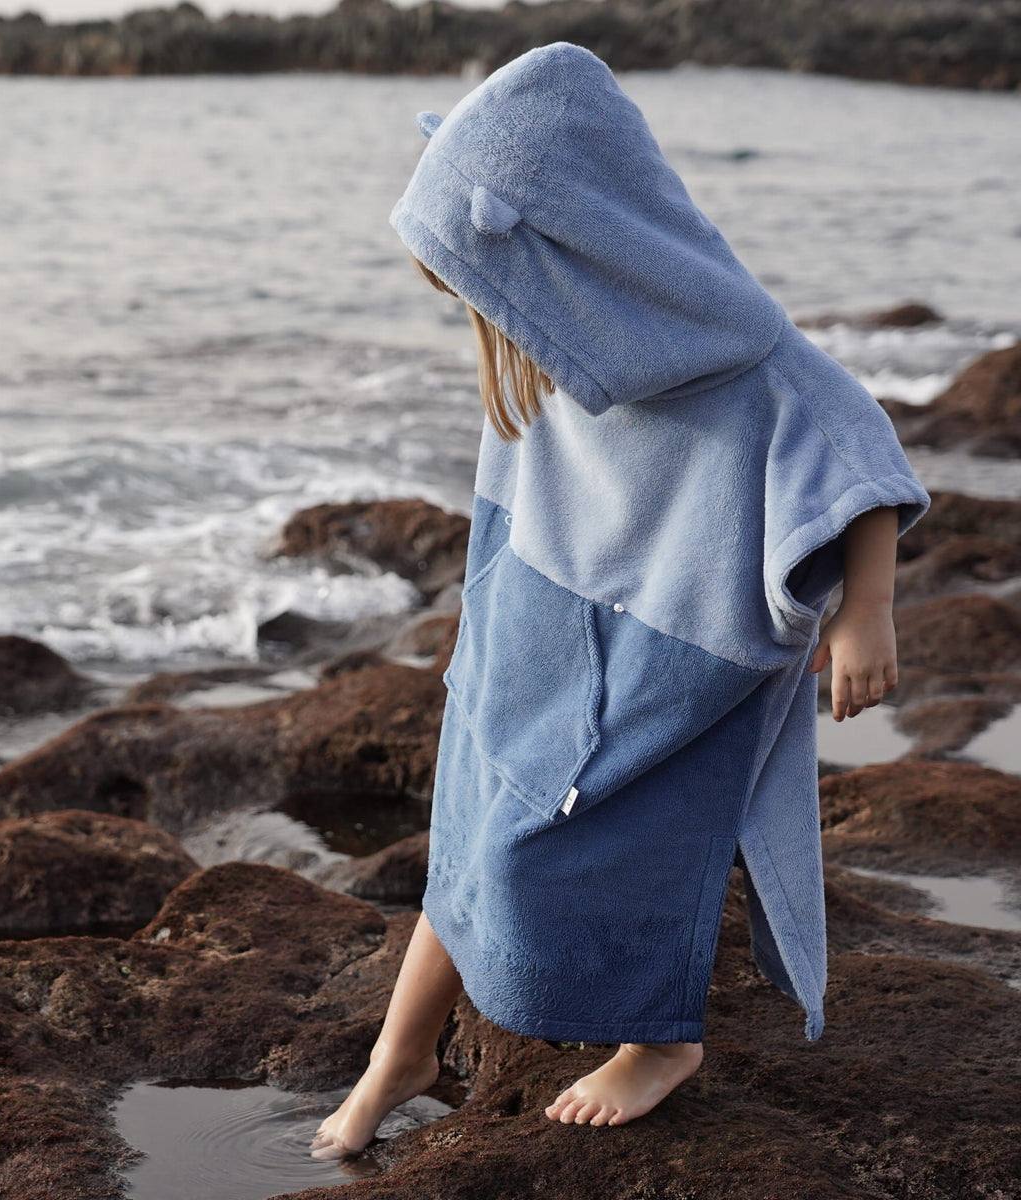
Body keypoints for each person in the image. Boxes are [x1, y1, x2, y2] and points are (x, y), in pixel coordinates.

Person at [311, 41, 930, 1159]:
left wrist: (866, 609)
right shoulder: (559, 346)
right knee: (470, 833)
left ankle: (660, 1043)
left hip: (679, 653)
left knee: (607, 846)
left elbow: (859, 447)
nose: (491, 321)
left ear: (571, 247)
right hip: (537, 633)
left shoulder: (743, 354)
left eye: (493, 291)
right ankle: (398, 1051)